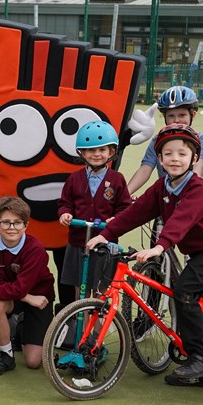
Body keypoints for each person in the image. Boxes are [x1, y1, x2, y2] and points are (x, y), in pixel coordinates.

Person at [88, 125, 203, 388]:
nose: (174, 159)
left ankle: (202, 357)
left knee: (184, 291)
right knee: (189, 297)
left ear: (194, 159)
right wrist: (106, 234)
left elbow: (182, 219)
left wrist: (160, 246)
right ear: (160, 159)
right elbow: (136, 213)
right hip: (197, 249)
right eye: (168, 154)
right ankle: (200, 367)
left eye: (182, 154)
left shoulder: (197, 188)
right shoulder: (163, 186)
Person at [0, 196, 55, 376]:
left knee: (33, 361)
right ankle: (6, 356)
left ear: (26, 225)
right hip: (25, 297)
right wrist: (27, 297)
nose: (12, 228)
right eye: (6, 222)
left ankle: (21, 325)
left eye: (17, 223)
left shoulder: (35, 249)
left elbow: (7, 288)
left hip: (40, 299)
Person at [57, 121, 132, 302]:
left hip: (105, 243)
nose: (96, 154)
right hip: (78, 242)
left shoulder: (117, 179)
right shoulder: (75, 179)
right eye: (91, 150)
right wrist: (65, 214)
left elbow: (125, 206)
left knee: (101, 290)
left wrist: (117, 218)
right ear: (82, 153)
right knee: (80, 289)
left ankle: (98, 327)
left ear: (111, 152)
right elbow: (65, 202)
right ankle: (80, 324)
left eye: (102, 150)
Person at [127, 86, 203, 193]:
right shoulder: (157, 140)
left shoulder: (202, 140)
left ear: (193, 115)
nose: (176, 120)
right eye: (171, 115)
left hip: (190, 195)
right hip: (165, 196)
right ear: (164, 116)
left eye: (182, 115)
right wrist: (125, 194)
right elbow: (145, 170)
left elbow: (197, 172)